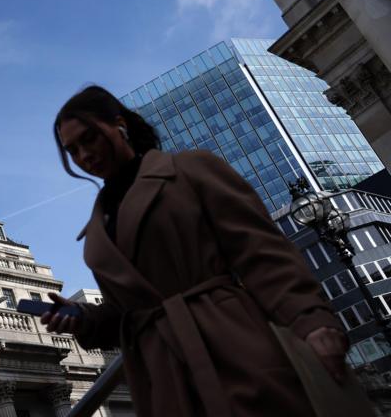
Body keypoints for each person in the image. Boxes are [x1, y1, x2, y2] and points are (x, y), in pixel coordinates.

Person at [42, 85, 349, 416]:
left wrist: (311, 319)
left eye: (90, 138)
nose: (84, 155)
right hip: (162, 374)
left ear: (120, 125)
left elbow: (260, 253)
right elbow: (129, 308)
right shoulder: (99, 224)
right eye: (72, 150)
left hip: (230, 341)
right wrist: (85, 319)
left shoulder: (190, 169)